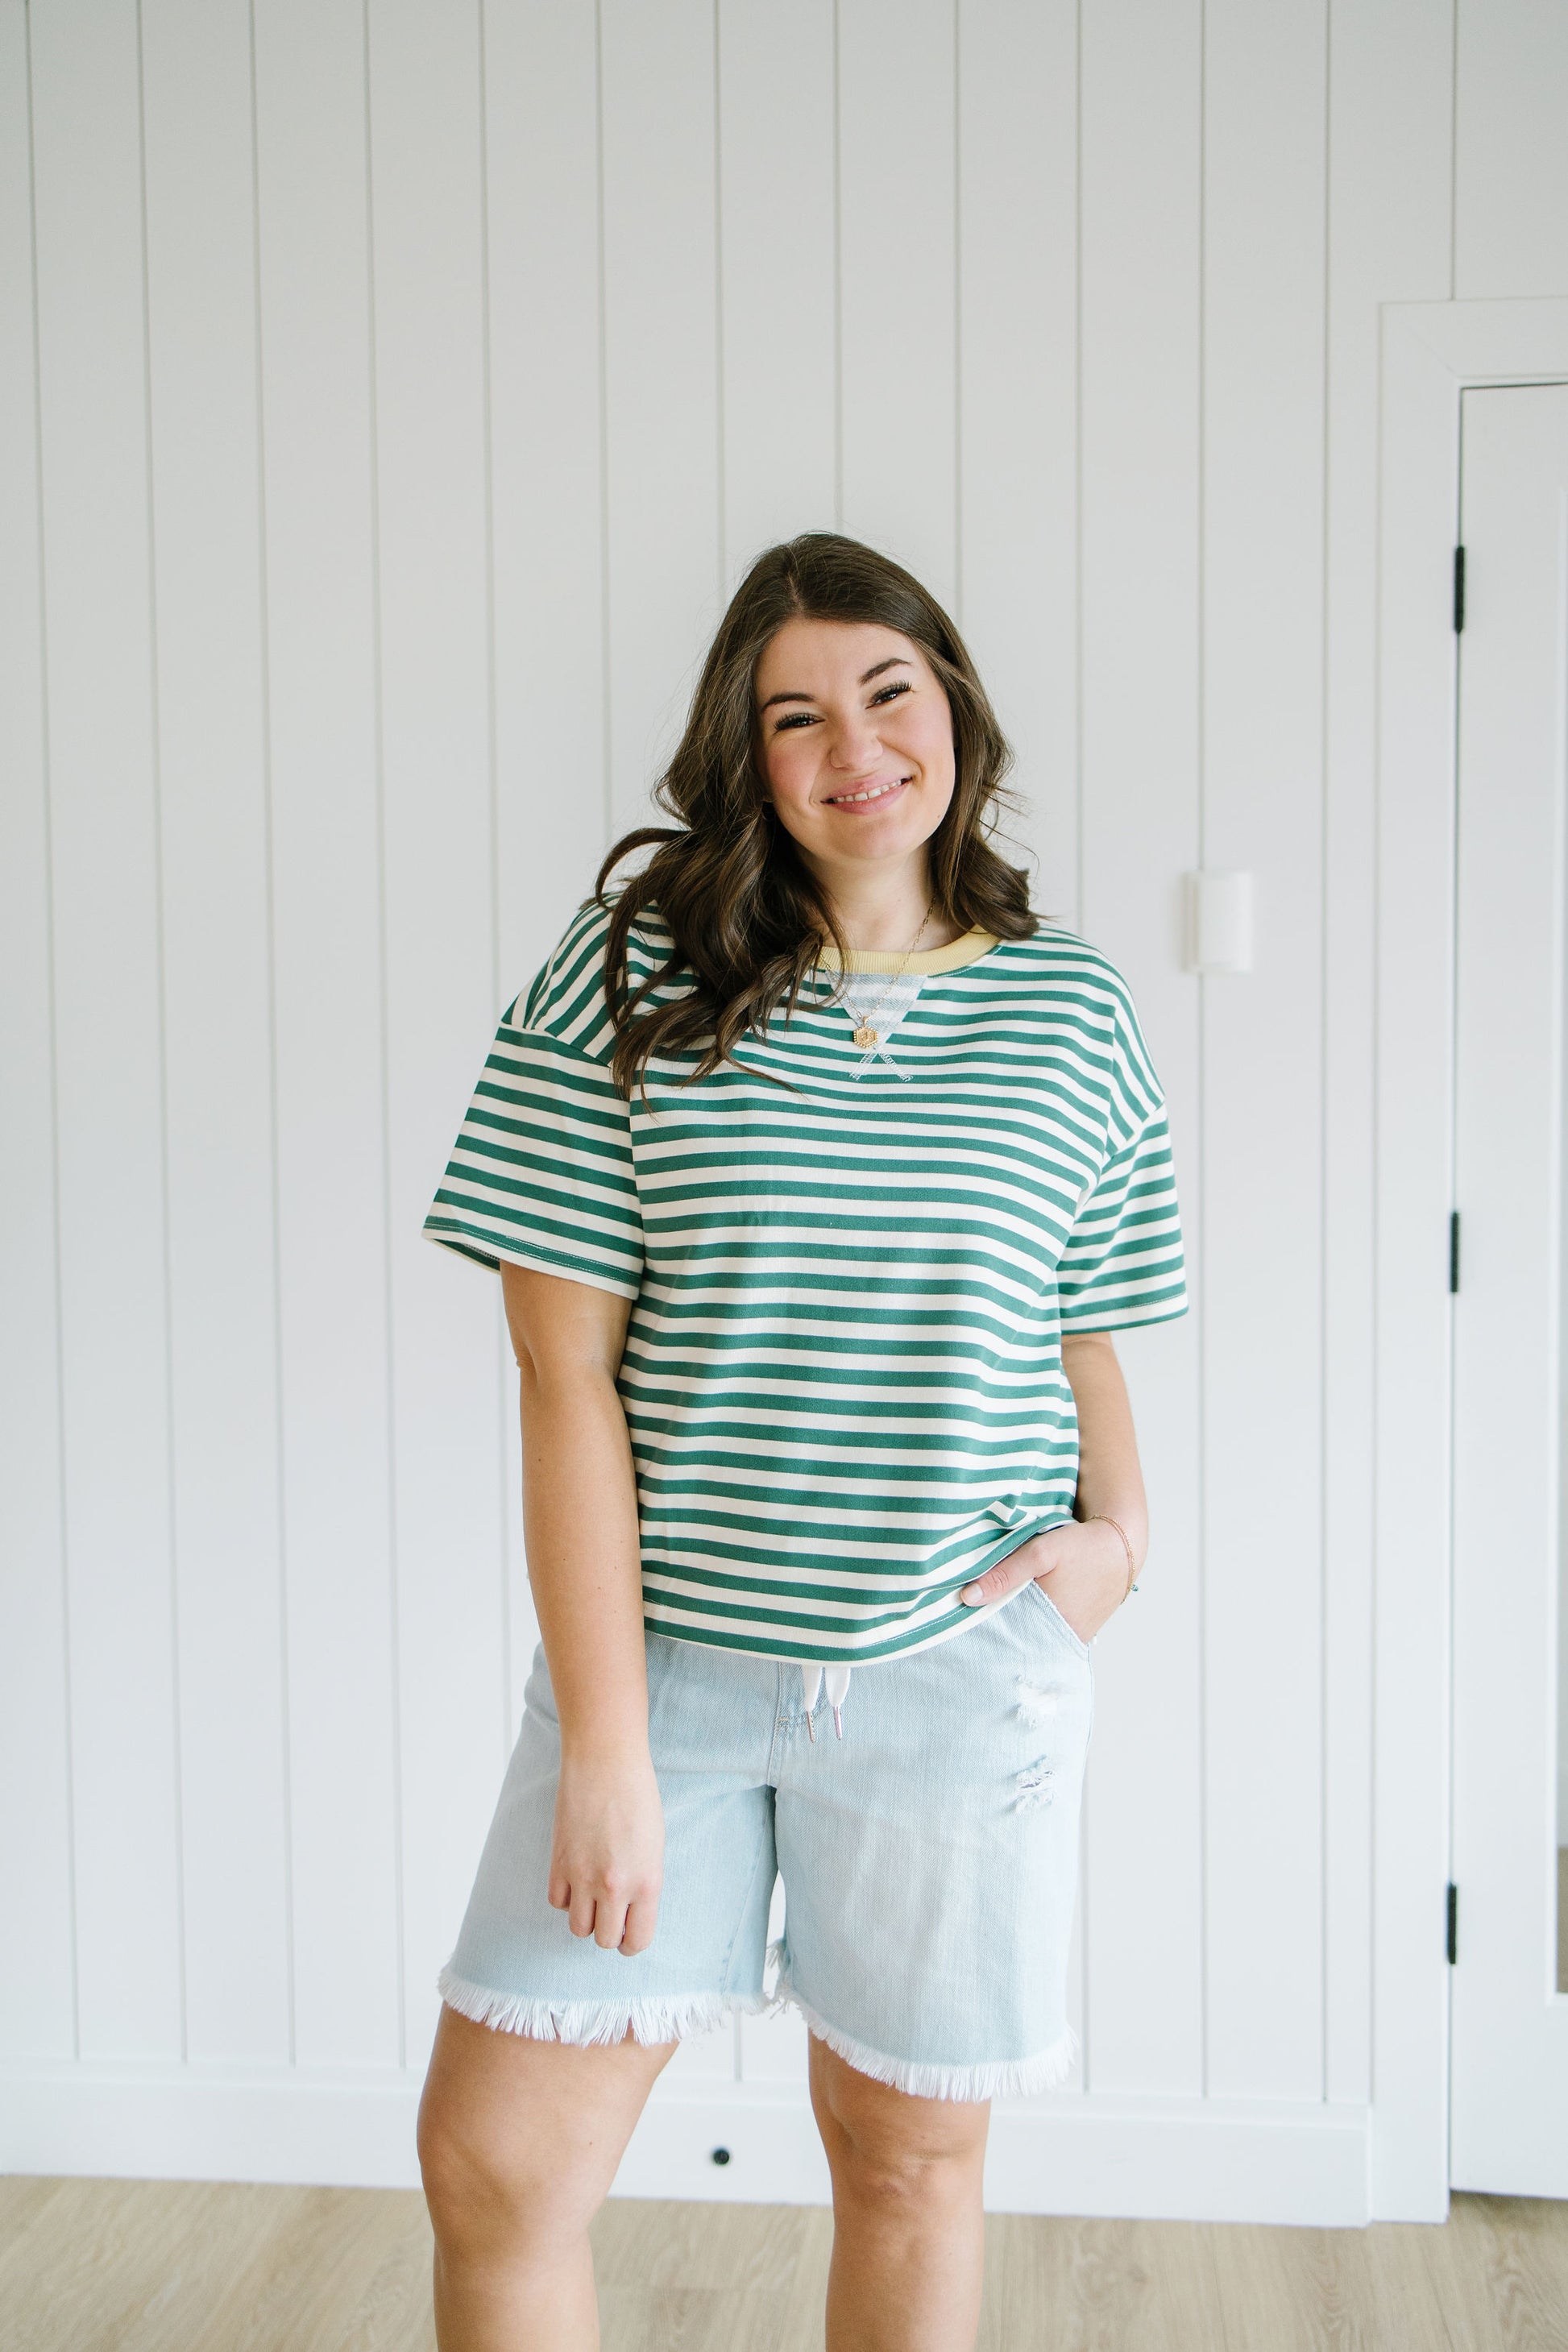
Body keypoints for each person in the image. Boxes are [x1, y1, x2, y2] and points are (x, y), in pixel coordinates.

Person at [414, 530, 1188, 2351]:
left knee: (906, 2162)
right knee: (498, 2164)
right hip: (665, 1671)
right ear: (744, 753)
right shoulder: (624, 976)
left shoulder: (1070, 1007)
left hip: (957, 1673)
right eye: (795, 715)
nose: (855, 745)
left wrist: (1123, 1541)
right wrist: (607, 1744)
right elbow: (561, 1380)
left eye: (887, 690)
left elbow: (1080, 1322)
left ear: (952, 707)